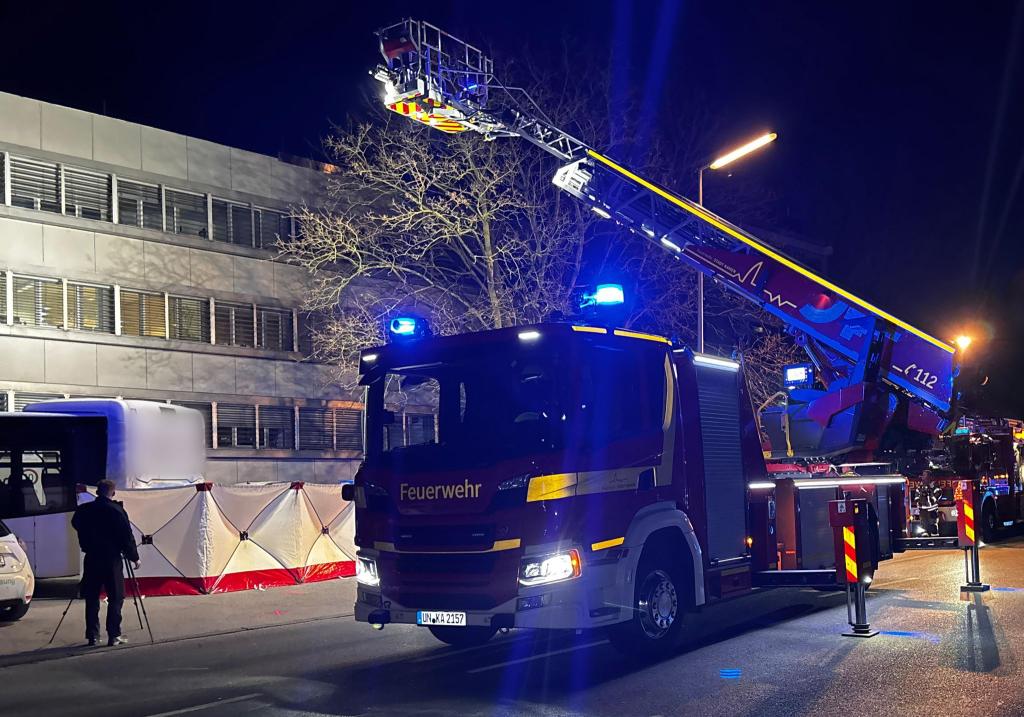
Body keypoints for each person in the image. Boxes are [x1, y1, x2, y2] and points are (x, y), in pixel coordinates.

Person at [71, 479, 140, 647]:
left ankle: (93, 636)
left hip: (92, 557)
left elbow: (75, 523)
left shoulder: (84, 510)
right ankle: (114, 635)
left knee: (92, 597)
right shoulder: (117, 510)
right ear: (113, 493)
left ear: (97, 492)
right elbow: (126, 536)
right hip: (111, 559)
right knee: (116, 596)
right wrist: (134, 557)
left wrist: (86, 539)